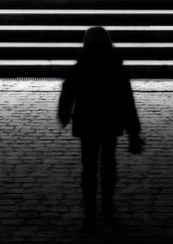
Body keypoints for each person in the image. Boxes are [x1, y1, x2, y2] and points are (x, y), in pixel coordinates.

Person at [58, 26, 143, 231]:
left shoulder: (80, 66)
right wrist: (134, 132)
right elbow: (127, 101)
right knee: (108, 162)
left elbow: (68, 93)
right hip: (110, 120)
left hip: (87, 121)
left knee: (89, 166)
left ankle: (90, 211)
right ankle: (107, 201)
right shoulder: (116, 68)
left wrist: (64, 114)